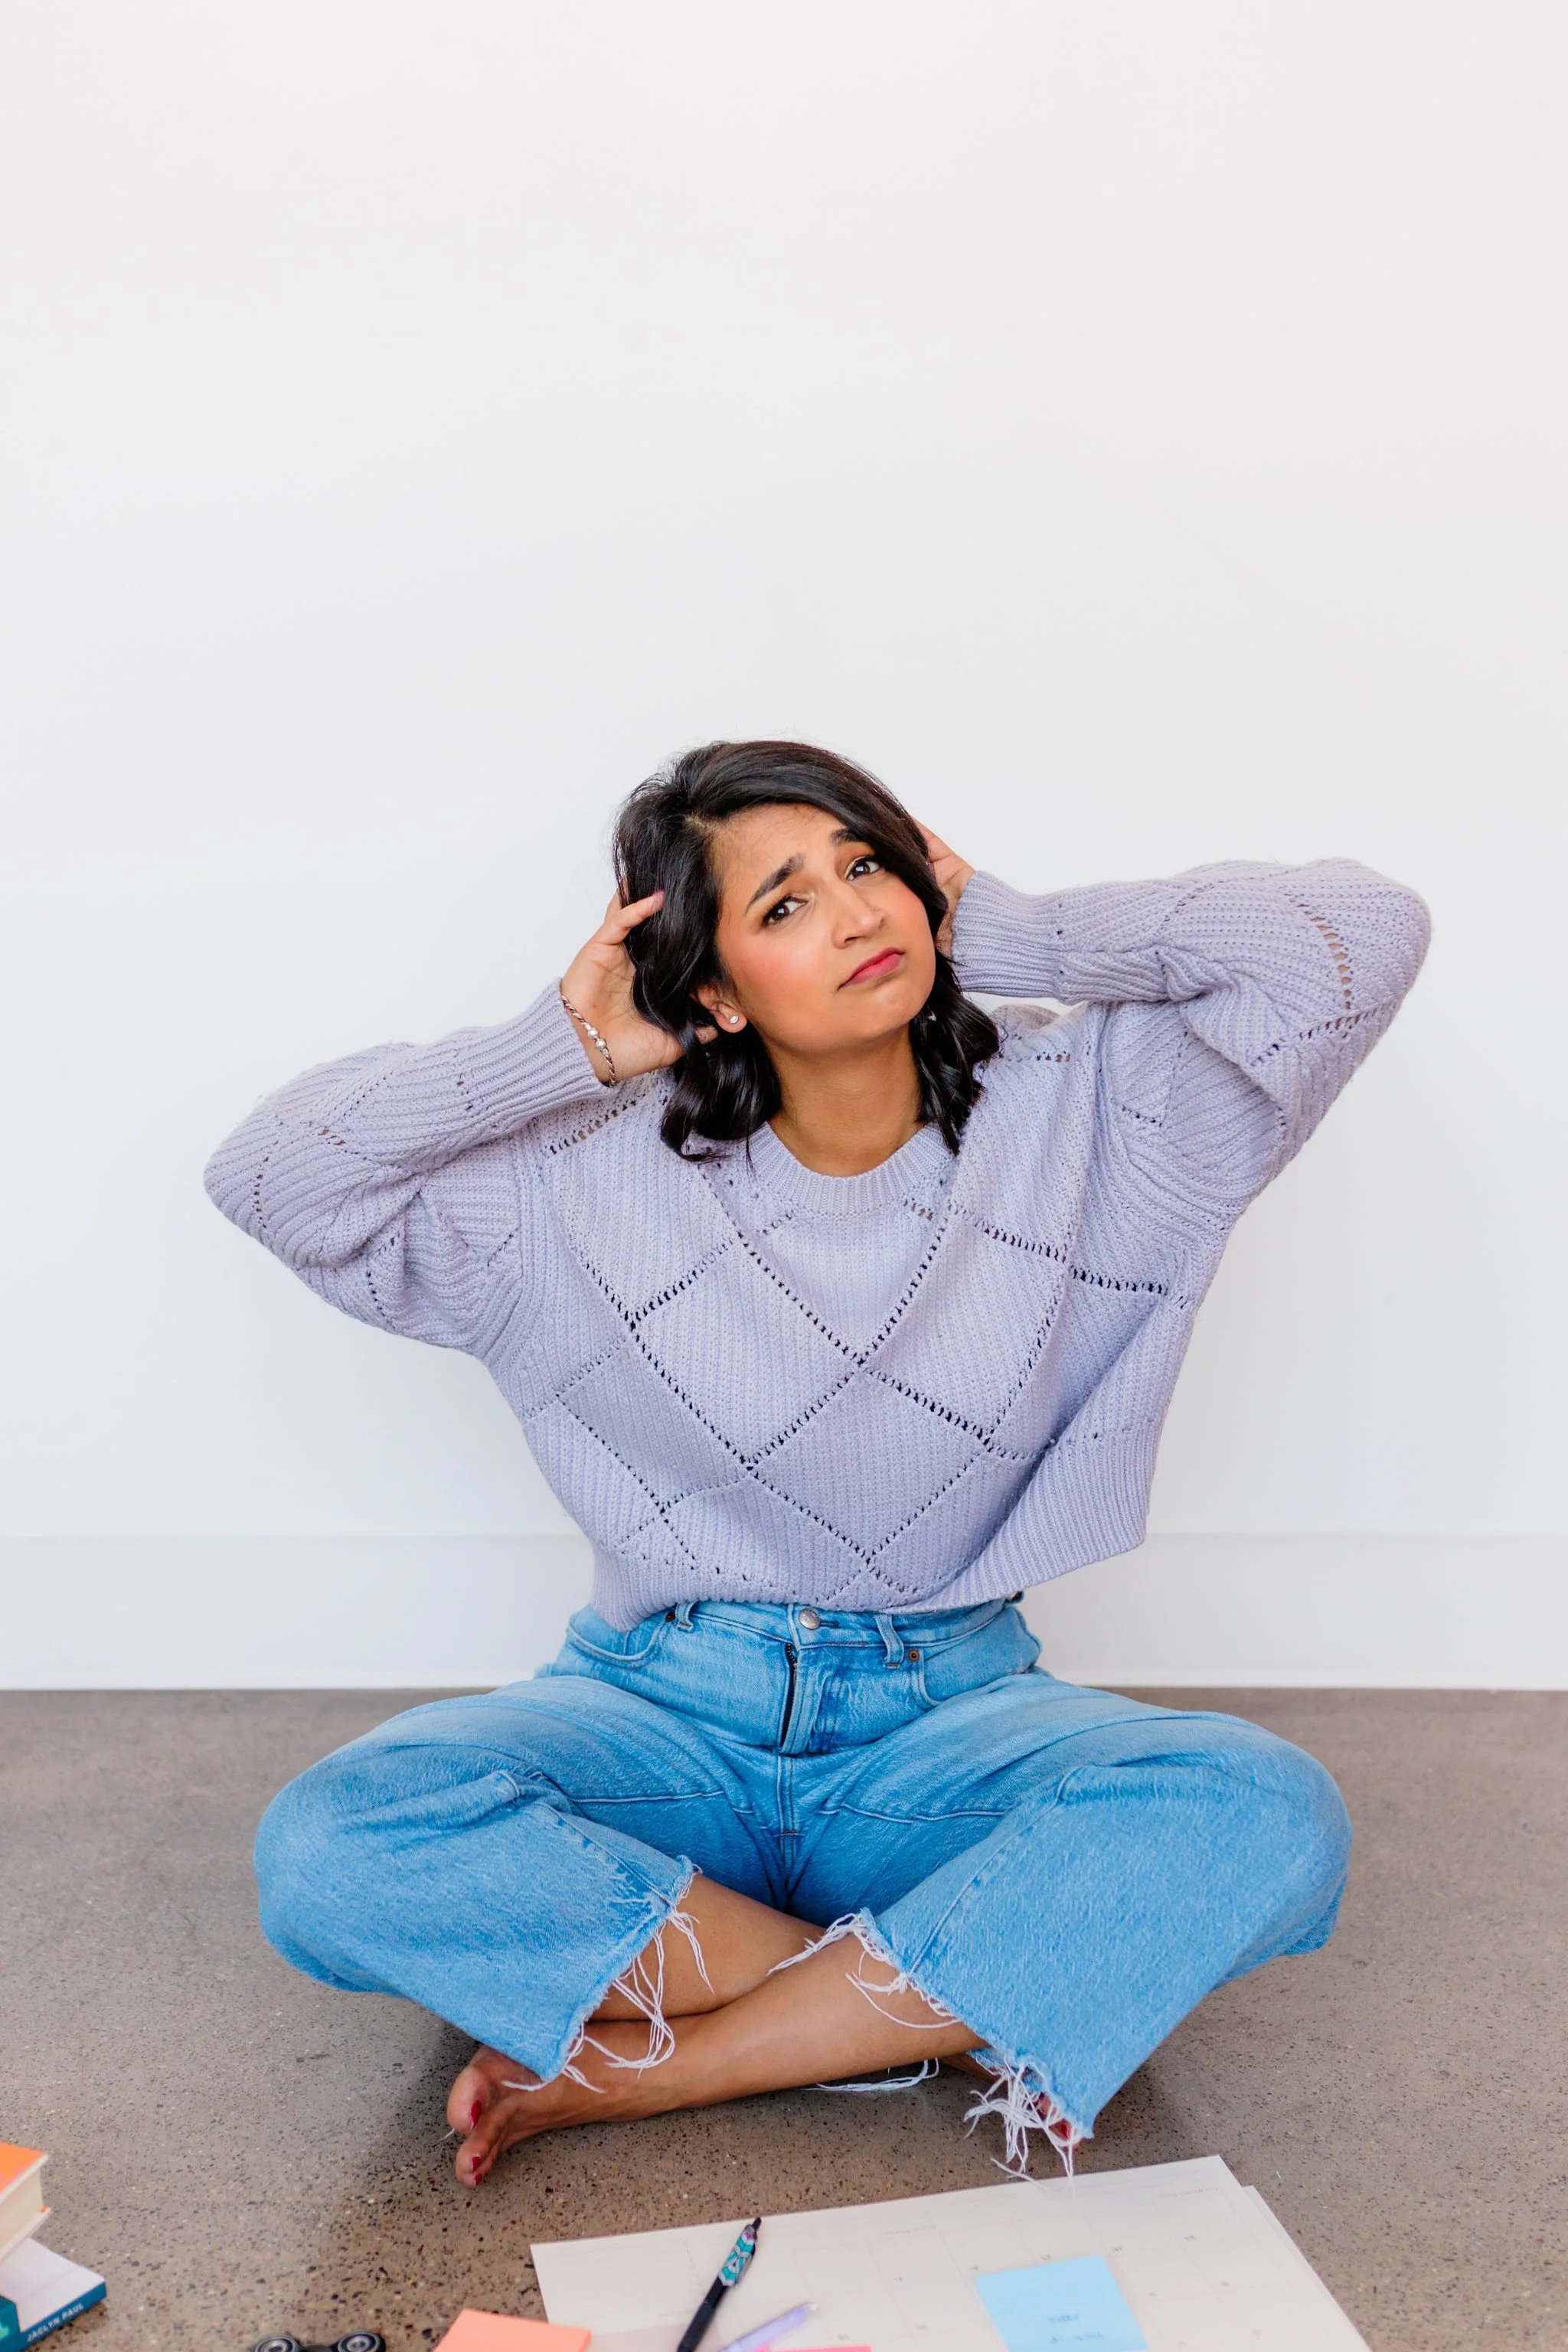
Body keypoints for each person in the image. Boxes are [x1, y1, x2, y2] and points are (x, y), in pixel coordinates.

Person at [205, 740, 1430, 2187]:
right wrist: (564, 1046)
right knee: (333, 1843)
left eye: (869, 867)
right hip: (660, 1719)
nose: (856, 915)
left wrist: (1015, 928)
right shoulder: (574, 1183)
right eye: (784, 904)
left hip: (949, 1720)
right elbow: (272, 1171)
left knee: (1262, 1810)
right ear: (710, 988)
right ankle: (925, 2000)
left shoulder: (1106, 1116)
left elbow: (1361, 940)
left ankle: (694, 2052)